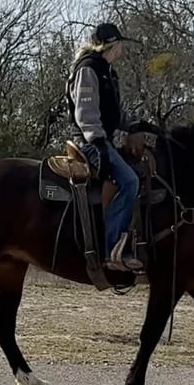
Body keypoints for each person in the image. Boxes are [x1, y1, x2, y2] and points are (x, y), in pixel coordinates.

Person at [66, 22, 143, 272]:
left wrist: (137, 125)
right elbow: (86, 112)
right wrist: (98, 143)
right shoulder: (89, 69)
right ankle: (112, 250)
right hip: (90, 142)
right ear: (112, 45)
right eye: (120, 44)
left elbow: (113, 113)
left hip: (101, 139)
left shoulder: (106, 71)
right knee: (129, 181)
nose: (122, 49)